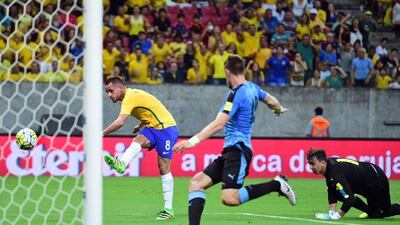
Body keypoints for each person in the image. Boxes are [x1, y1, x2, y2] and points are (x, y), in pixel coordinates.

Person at [173, 55, 296, 225]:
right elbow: (272, 101)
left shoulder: (235, 94)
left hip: (238, 149)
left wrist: (191, 142)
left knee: (230, 198)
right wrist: (279, 109)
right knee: (196, 183)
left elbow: (219, 123)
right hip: (231, 150)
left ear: (227, 71)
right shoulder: (253, 88)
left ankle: (276, 184)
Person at [103, 77, 178, 220]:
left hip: (167, 129)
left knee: (163, 167)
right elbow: (149, 108)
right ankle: (122, 163)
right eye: (107, 92)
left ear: (120, 88)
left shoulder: (129, 97)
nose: (109, 95)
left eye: (111, 91)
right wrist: (140, 125)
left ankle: (168, 210)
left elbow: (120, 122)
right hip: (152, 127)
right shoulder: (131, 95)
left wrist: (101, 134)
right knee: (138, 139)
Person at [307, 149, 400, 220]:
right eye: (310, 164)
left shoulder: (334, 171)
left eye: (313, 164)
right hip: (366, 184)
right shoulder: (329, 168)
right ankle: (371, 211)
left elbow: (349, 199)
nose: (311, 167)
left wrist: (338, 215)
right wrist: (331, 213)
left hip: (376, 179)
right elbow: (332, 191)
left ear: (322, 163)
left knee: (382, 213)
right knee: (374, 213)